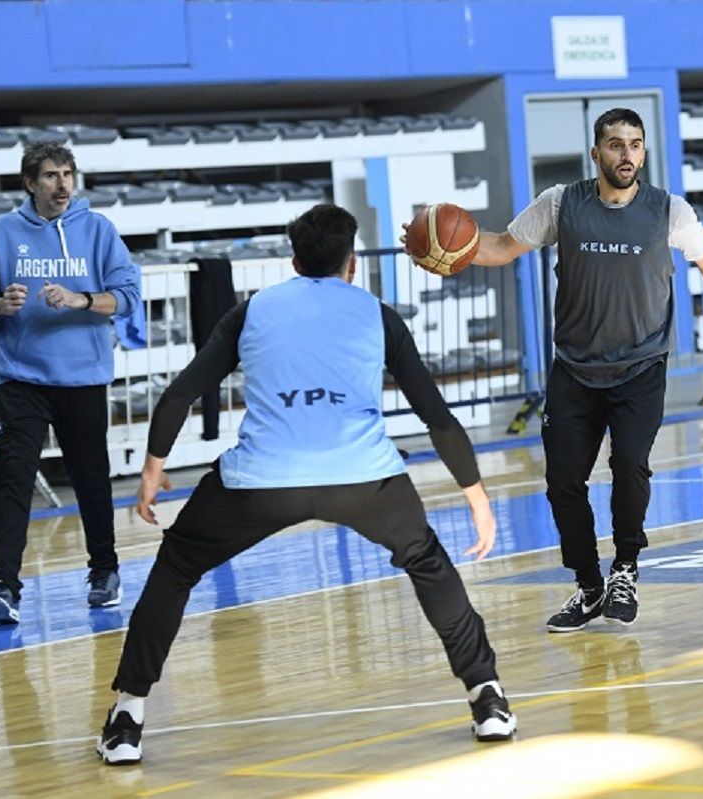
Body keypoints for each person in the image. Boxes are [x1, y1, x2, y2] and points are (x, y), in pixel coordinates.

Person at [95, 204, 516, 765]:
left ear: (294, 261)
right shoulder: (377, 314)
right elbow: (436, 416)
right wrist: (477, 497)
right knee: (427, 561)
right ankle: (486, 696)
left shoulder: (253, 310)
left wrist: (152, 471)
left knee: (176, 567)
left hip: (263, 480)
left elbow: (178, 396)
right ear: (353, 263)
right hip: (363, 477)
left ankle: (128, 716)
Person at [411, 107, 703, 634]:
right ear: (596, 152)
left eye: (634, 144)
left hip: (641, 368)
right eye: (614, 144)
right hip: (575, 370)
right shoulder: (561, 203)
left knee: (630, 464)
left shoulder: (668, 211)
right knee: (563, 482)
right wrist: (438, 248)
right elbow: (500, 247)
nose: (625, 154)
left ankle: (625, 566)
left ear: (643, 152)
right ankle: (587, 586)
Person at [0, 142, 142, 624]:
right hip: (21, 380)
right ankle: (5, 587)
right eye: (50, 176)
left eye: (67, 174)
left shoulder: (99, 230)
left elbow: (128, 297)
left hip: (82, 379)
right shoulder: (1, 232)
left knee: (90, 480)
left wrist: (81, 300)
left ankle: (104, 572)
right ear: (29, 183)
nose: (62, 184)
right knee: (13, 481)